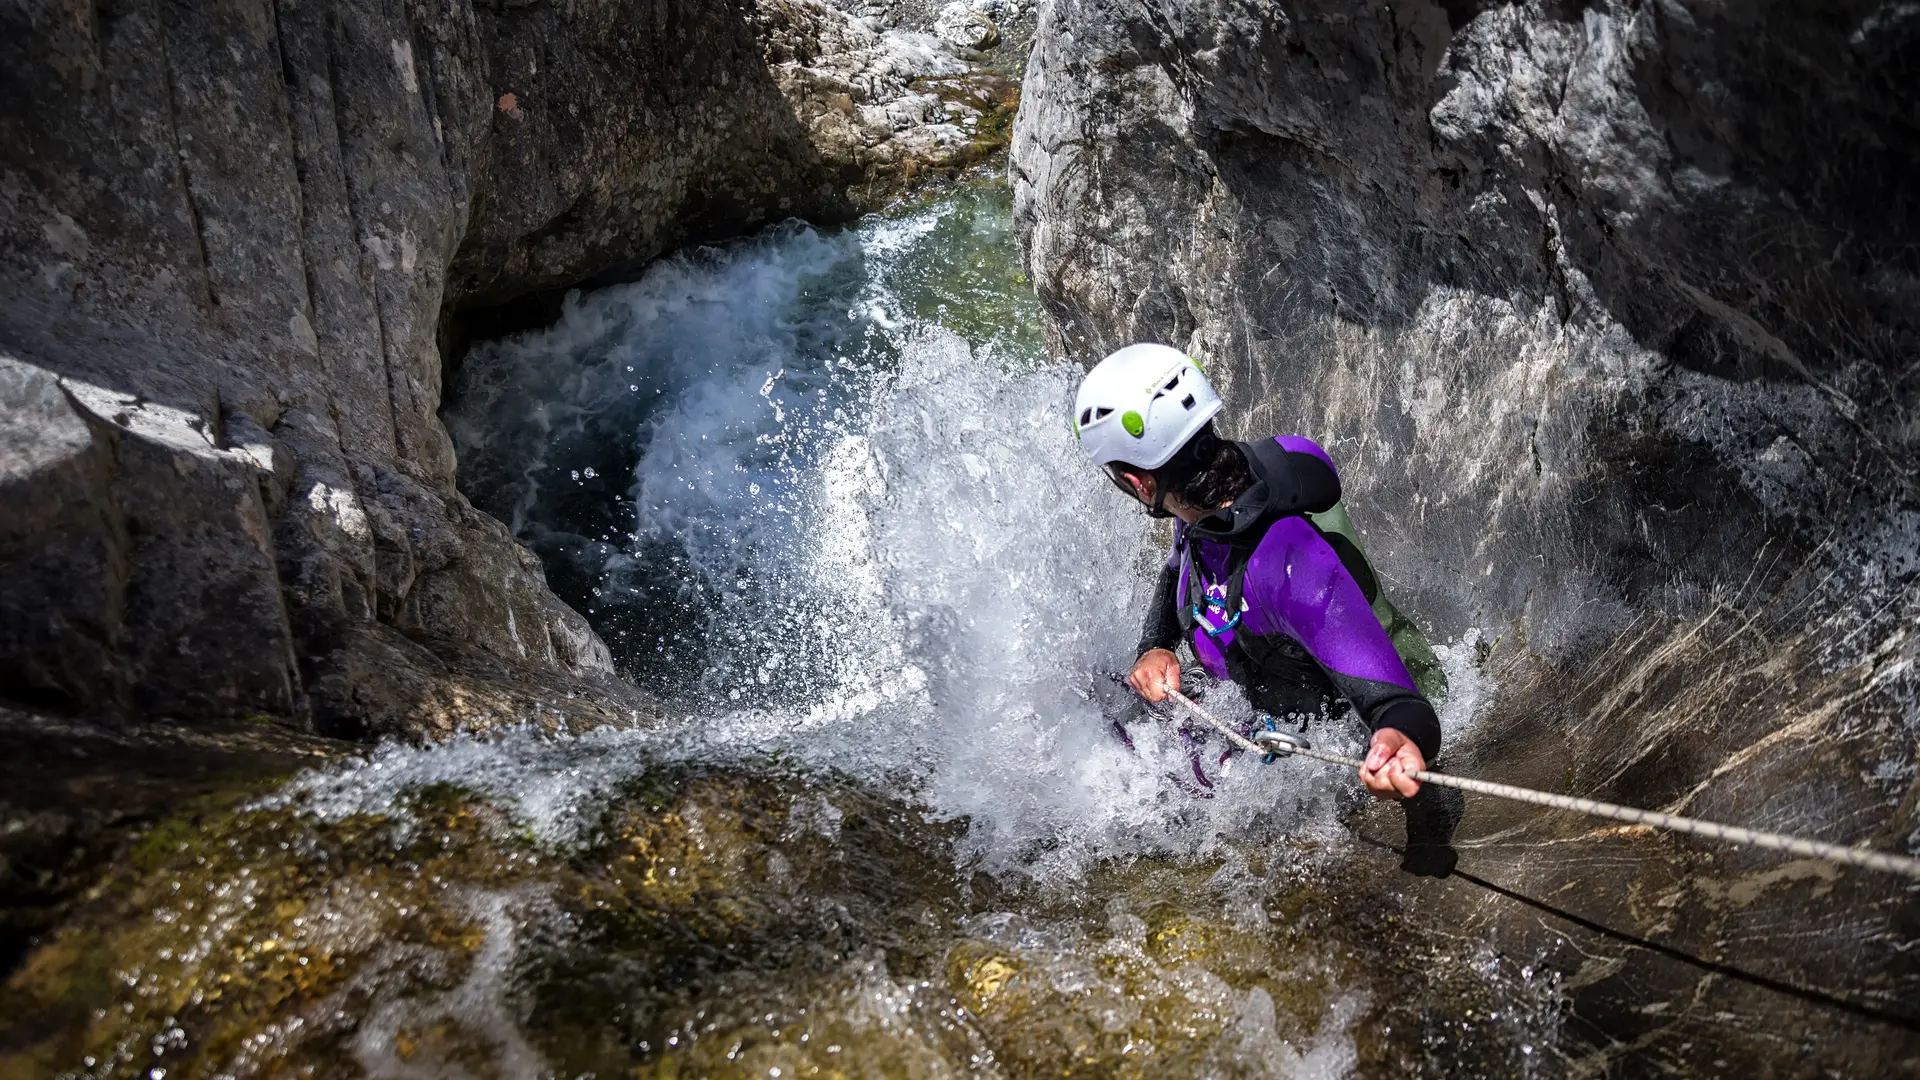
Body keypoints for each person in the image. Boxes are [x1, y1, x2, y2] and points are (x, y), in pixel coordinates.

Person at [1073, 342, 1450, 806]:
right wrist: (1155, 645)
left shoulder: (1289, 564)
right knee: (1103, 698)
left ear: (1140, 484)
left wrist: (1399, 740)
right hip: (1264, 687)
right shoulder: (1204, 496)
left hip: (1341, 717)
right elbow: (1176, 571)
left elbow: (1399, 705)